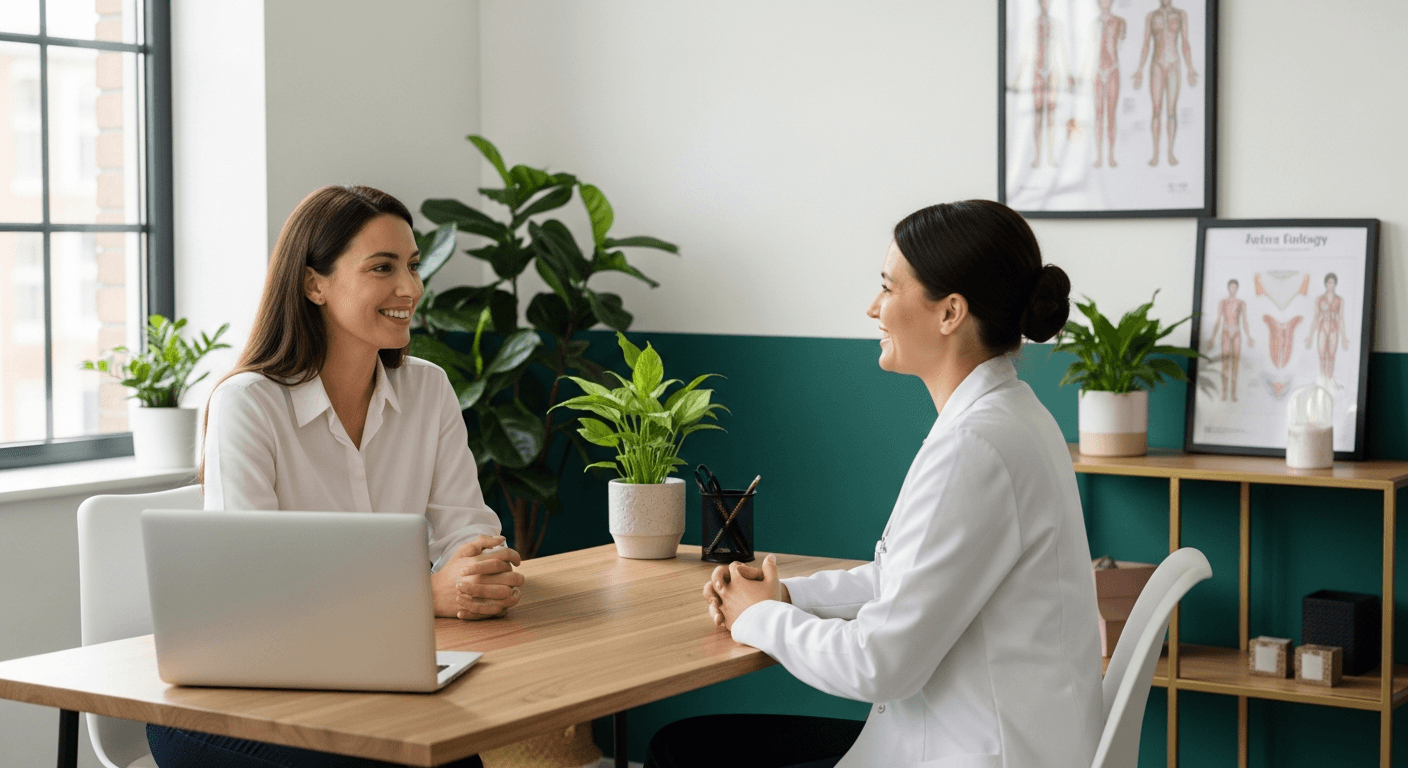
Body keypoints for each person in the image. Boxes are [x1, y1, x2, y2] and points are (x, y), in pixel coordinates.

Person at [646, 200, 1102, 768]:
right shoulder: (1014, 418)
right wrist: (787, 594)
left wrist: (758, 617)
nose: (873, 307)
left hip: (970, 753)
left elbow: (880, 664)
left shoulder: (975, 448)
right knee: (690, 746)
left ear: (950, 313)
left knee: (682, 752)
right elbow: (901, 580)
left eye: (888, 287)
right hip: (995, 741)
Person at [145, 185, 523, 768]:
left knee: (453, 758)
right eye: (382, 267)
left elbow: (468, 533)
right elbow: (254, 592)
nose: (411, 288)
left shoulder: (428, 390)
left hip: (371, 678)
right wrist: (427, 593)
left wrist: (479, 572)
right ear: (313, 283)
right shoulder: (247, 403)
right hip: (230, 704)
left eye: (413, 266)